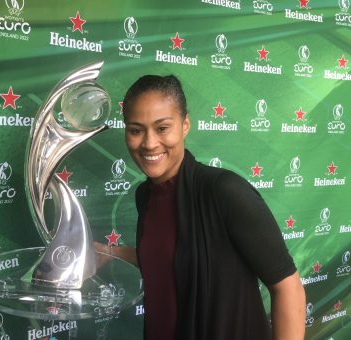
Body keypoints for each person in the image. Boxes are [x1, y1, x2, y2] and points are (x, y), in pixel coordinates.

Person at [97, 75, 306, 340]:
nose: (149, 143)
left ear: (185, 125)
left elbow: (288, 287)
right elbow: (171, 255)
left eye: (162, 128)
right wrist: (108, 252)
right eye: (136, 130)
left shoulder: (224, 191)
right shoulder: (145, 195)